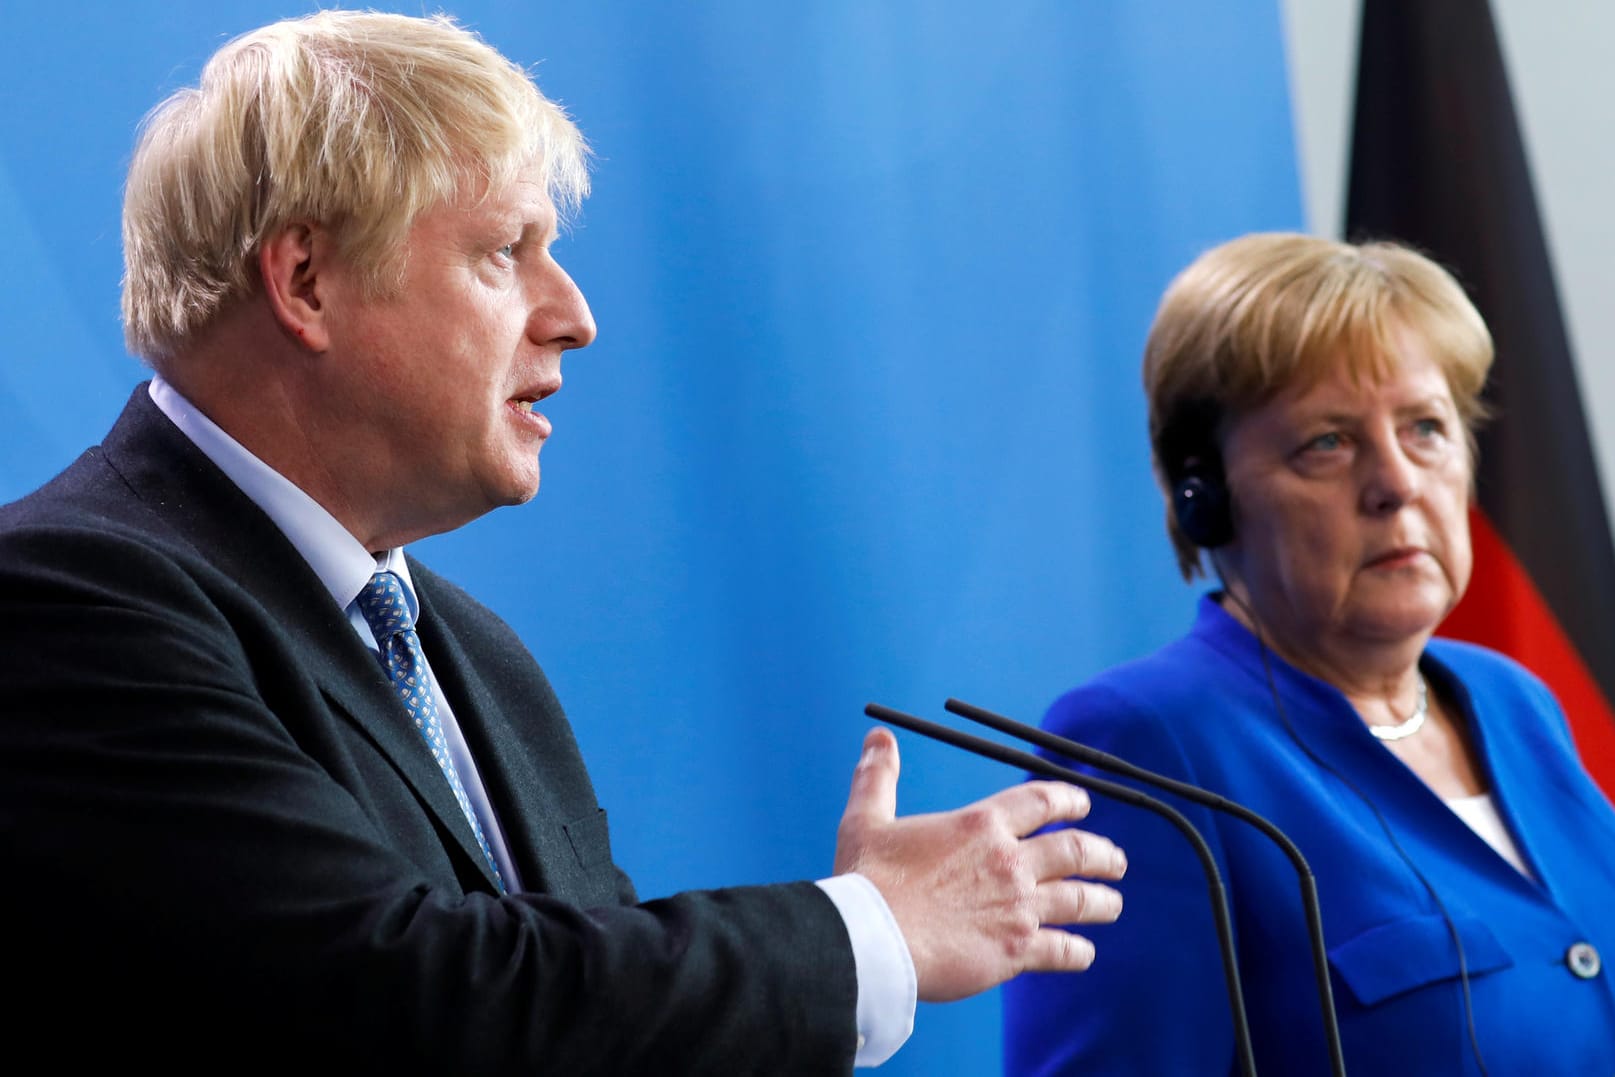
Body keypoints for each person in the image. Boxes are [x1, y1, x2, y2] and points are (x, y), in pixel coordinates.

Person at [0, 11, 1129, 1072]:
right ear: (306, 280)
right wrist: (866, 936)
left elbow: (588, 1029)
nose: (574, 313)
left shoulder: (474, 655)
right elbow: (398, 1004)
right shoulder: (64, 600)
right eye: (505, 251)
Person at [1003, 233, 1615, 1074]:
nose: (1396, 482)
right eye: (1326, 442)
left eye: (1425, 428)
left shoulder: (1512, 701)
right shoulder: (1143, 748)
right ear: (1205, 500)